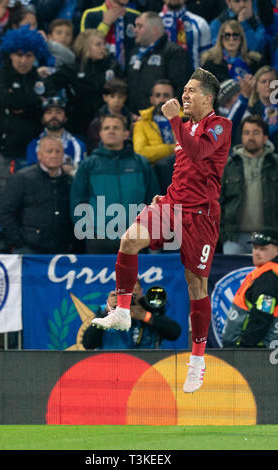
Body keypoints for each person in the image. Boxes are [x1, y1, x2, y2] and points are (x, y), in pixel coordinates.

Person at [91, 68, 232, 393]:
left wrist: (172, 121)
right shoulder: (186, 127)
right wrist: (166, 196)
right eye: (184, 89)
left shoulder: (220, 126)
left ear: (208, 98)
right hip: (171, 204)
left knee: (196, 284)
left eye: (192, 91)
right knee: (128, 240)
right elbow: (186, 168)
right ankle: (124, 310)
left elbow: (197, 153)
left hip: (201, 215)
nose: (185, 95)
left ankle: (197, 360)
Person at [0, 26, 48, 253]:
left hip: (33, 156)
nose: (23, 60)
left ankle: (26, 255)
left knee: (29, 209)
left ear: (35, 56)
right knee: (4, 208)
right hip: (6, 155)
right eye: (19, 54)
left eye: (29, 55)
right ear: (10, 53)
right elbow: (6, 100)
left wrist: (22, 102)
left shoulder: (38, 78)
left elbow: (38, 107)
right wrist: (30, 101)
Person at [70, 114, 159, 254]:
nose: (111, 131)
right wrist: (90, 232)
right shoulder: (89, 164)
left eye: (116, 128)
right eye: (106, 128)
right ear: (100, 134)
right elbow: (78, 201)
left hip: (136, 239)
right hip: (99, 240)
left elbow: (153, 200)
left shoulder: (141, 163)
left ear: (126, 134)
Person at [0, 136, 75, 254]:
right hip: (28, 250)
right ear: (39, 155)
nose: (54, 155)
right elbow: (5, 212)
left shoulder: (69, 182)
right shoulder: (22, 178)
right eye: (49, 151)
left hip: (61, 251)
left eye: (58, 151)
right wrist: (18, 242)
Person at [44, 28, 122, 140]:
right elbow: (49, 86)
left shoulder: (111, 67)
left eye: (103, 44)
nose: (103, 47)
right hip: (78, 127)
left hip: (106, 128)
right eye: (98, 44)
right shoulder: (71, 69)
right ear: (85, 47)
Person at [220, 115, 278, 254]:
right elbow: (217, 202)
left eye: (256, 132)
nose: (250, 137)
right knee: (234, 276)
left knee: (269, 275)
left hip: (270, 239)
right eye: (246, 133)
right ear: (241, 137)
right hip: (235, 239)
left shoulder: (275, 164)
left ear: (265, 137)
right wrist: (223, 234)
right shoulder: (228, 166)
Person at [83, 280, 181, 349]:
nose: (129, 299)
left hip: (148, 368)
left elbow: (175, 333)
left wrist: (146, 316)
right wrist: (106, 314)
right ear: (118, 293)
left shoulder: (150, 309)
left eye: (133, 294)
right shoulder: (105, 310)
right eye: (126, 294)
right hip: (113, 368)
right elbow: (88, 343)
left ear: (141, 292)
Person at [222, 228, 278, 348]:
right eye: (255, 248)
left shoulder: (268, 279)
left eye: (263, 249)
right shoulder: (264, 273)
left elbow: (262, 316)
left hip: (256, 352)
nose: (256, 253)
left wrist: (245, 346)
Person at [127, 11, 191, 113]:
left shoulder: (174, 52)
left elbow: (179, 89)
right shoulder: (134, 53)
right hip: (135, 118)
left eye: (139, 26)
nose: (135, 30)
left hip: (161, 118)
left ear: (154, 30)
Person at [26, 96, 87, 175]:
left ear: (65, 118)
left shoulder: (77, 145)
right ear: (43, 119)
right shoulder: (34, 145)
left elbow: (81, 176)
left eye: (58, 112)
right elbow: (33, 175)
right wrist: (62, 169)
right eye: (49, 112)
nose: (53, 116)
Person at [80, 0, 140, 71]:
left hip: (128, 71)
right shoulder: (91, 14)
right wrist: (105, 24)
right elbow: (85, 46)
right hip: (98, 70)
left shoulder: (136, 16)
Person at [201, 20, 262, 84]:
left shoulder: (254, 61)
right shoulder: (210, 64)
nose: (231, 39)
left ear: (241, 39)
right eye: (227, 35)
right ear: (221, 39)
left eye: (235, 35)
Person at [132, 78, 177, 164]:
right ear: (152, 99)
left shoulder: (187, 120)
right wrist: (171, 148)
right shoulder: (141, 123)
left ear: (174, 98)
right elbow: (140, 153)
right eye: (158, 95)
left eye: (166, 95)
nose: (162, 99)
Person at [159, 0, 212, 71]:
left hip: (193, 78)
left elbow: (206, 59)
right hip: (160, 78)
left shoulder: (200, 23)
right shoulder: (153, 24)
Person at [87, 77, 135, 153]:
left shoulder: (132, 118)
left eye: (120, 97)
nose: (116, 100)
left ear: (125, 98)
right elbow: (94, 146)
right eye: (112, 96)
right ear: (105, 97)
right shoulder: (97, 121)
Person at [246, 65, 278, 152]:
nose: (268, 85)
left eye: (271, 81)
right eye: (263, 82)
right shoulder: (250, 110)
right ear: (256, 87)